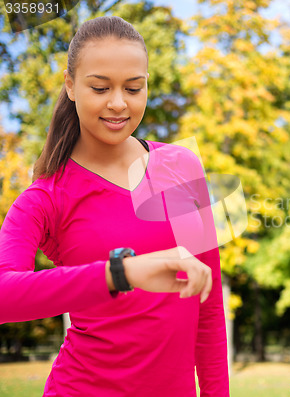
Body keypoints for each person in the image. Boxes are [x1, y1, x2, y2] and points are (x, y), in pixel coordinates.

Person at [0, 16, 230, 396]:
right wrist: (119, 274)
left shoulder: (182, 165)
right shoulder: (46, 196)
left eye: (133, 88)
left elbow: (208, 300)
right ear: (71, 86)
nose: (118, 103)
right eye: (100, 87)